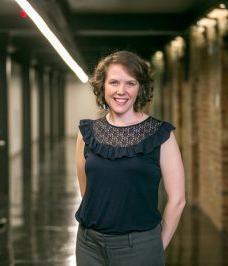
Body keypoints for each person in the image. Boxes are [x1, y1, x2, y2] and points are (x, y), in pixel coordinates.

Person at [75, 50, 185, 266]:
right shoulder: (87, 133)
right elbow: (86, 189)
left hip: (139, 247)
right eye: (114, 82)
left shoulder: (161, 135)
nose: (121, 91)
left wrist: (155, 247)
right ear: (103, 86)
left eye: (130, 83)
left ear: (140, 88)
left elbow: (178, 200)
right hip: (89, 244)